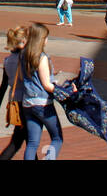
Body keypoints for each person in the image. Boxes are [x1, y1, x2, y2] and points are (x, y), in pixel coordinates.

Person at [20, 22, 73, 161]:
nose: (47, 40)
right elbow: (47, 85)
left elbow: (24, 77)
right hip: (42, 104)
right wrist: (64, 92)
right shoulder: (41, 57)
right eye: (46, 37)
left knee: (32, 143)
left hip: (27, 103)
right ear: (40, 39)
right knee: (57, 138)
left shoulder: (24, 55)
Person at [0, 26, 29, 160]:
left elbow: (3, 86)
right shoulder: (26, 58)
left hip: (14, 101)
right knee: (24, 142)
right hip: (26, 101)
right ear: (24, 40)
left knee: (21, 140)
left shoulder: (8, 60)